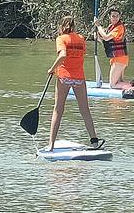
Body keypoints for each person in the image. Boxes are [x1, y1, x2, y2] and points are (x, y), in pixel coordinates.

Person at [45, 16, 104, 151]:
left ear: (62, 26)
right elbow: (81, 54)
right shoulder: (81, 39)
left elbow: (63, 55)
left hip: (64, 77)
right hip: (79, 78)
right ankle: (94, 141)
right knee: (85, 110)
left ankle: (51, 145)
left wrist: (52, 69)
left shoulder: (61, 38)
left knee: (58, 111)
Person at [94, 9, 131, 88]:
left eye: (117, 16)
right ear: (109, 17)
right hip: (116, 58)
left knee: (113, 85)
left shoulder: (119, 27)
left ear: (120, 17)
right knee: (119, 82)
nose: (115, 18)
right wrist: (97, 37)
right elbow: (106, 42)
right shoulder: (111, 27)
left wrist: (98, 26)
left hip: (120, 58)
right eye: (113, 16)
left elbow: (106, 37)